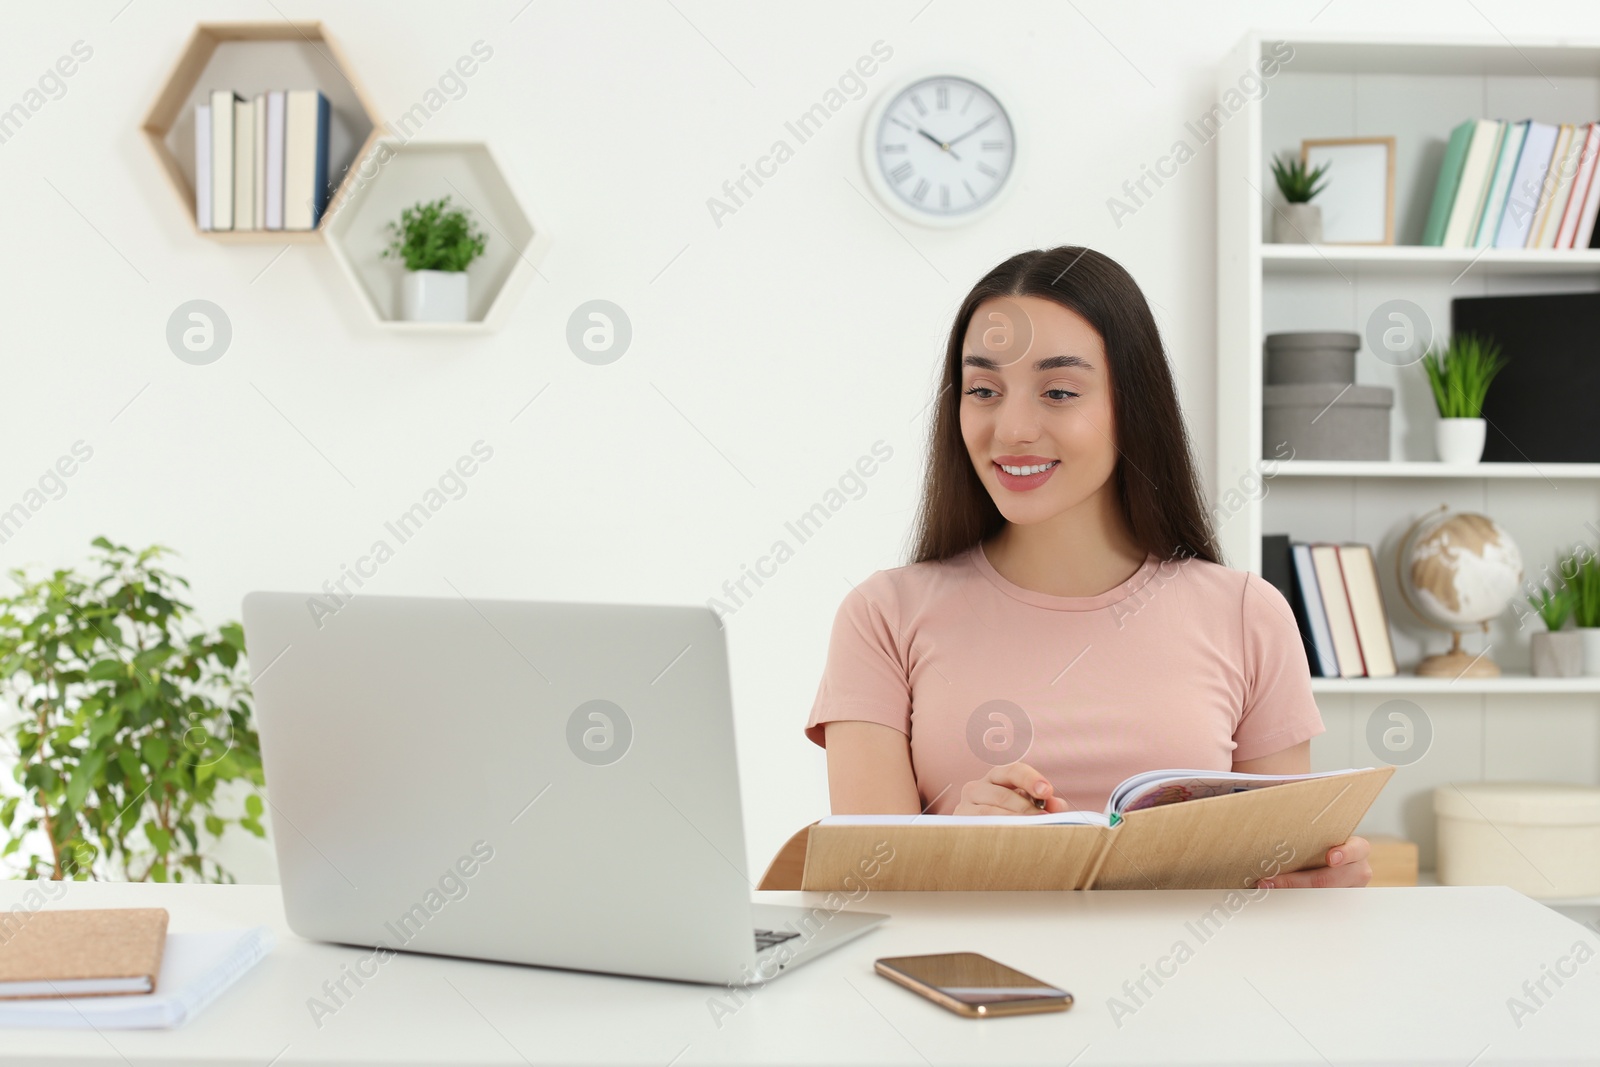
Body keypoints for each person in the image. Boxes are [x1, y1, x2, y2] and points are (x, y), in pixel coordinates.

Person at [803, 246, 1369, 889]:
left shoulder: (1248, 615)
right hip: (969, 981)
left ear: (1134, 407)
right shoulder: (882, 617)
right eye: (983, 390)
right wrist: (961, 847)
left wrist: (1320, 887)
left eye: (1059, 391)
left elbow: (1278, 882)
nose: (1012, 428)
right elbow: (866, 896)